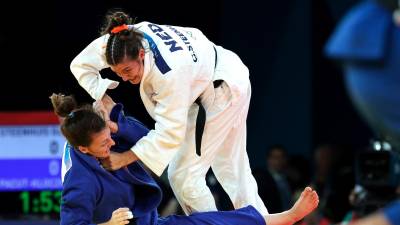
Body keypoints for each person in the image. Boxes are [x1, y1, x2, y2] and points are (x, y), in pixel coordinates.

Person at [69, 10, 268, 215]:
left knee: (184, 177)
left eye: (127, 71)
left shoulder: (169, 73)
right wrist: (101, 94)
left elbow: (170, 133)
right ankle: (262, 219)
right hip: (224, 71)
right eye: (117, 72)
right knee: (232, 168)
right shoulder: (121, 39)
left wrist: (125, 158)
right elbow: (80, 64)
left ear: (141, 54)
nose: (124, 79)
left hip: (221, 90)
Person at [51, 93, 319, 225]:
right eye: (103, 143)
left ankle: (285, 217)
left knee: (210, 221)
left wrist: (119, 127)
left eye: (108, 135)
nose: (110, 143)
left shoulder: (108, 133)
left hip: (150, 221)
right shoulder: (79, 181)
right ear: (84, 150)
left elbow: (154, 141)